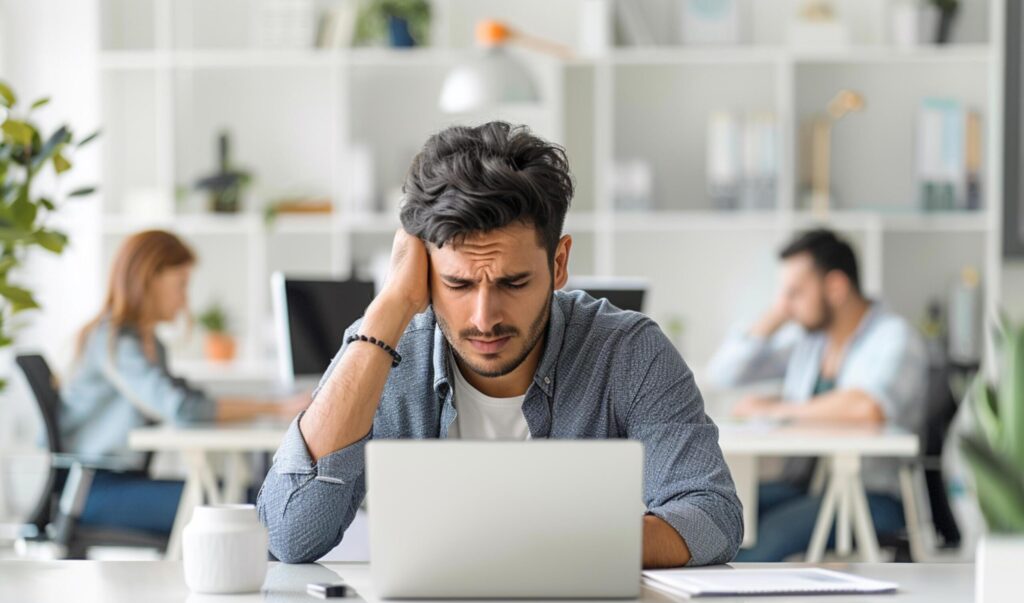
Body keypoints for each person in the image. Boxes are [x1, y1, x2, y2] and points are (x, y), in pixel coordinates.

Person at [258, 122, 743, 567]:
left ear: (558, 264)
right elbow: (289, 534)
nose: (484, 318)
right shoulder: (387, 351)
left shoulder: (628, 351)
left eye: (512, 284)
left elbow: (712, 515)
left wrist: (557, 550)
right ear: (424, 270)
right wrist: (388, 307)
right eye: (459, 284)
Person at [60, 230, 305, 537]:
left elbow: (189, 396)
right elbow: (181, 407)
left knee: (244, 500)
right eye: (181, 284)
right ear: (150, 278)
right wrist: (273, 408)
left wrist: (274, 406)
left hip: (122, 483)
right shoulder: (114, 341)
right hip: (92, 491)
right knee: (244, 508)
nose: (184, 299)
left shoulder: (150, 343)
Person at [707, 228, 928, 561]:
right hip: (806, 488)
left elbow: (867, 406)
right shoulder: (810, 342)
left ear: (836, 287)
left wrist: (779, 410)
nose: (786, 304)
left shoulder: (894, 338)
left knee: (767, 536)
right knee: (715, 510)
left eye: (795, 292)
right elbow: (723, 374)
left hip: (874, 495)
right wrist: (777, 314)